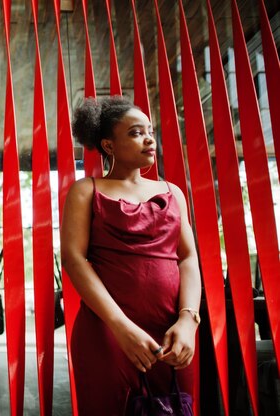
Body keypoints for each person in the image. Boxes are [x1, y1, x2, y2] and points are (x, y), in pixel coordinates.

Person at [60, 96, 201, 414]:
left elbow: (188, 258)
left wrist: (188, 320)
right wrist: (120, 327)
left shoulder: (172, 191)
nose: (149, 139)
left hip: (172, 333)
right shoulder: (86, 191)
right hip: (107, 334)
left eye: (150, 131)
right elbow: (72, 259)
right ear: (108, 145)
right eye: (136, 132)